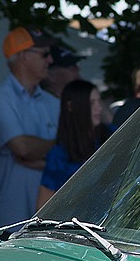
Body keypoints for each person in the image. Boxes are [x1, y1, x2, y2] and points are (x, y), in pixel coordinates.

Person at [0, 27, 60, 230]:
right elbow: (22, 147)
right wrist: (56, 147)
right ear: (24, 56)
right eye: (45, 54)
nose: (50, 60)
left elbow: (66, 153)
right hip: (5, 223)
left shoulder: (52, 102)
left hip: (46, 223)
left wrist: (43, 154)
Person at [38, 80, 111, 208]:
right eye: (91, 102)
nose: (98, 108)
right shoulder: (59, 155)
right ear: (71, 106)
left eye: (99, 101)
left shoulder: (111, 135)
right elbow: (43, 207)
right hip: (79, 224)